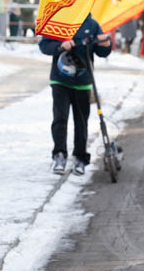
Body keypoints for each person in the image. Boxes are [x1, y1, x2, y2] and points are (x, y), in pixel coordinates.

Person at [39, 14, 112, 175]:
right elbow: (44, 46)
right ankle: (59, 155)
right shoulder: (58, 20)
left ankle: (80, 158)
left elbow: (103, 52)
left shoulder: (92, 24)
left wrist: (105, 42)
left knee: (81, 121)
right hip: (60, 79)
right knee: (60, 118)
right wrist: (60, 45)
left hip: (83, 81)